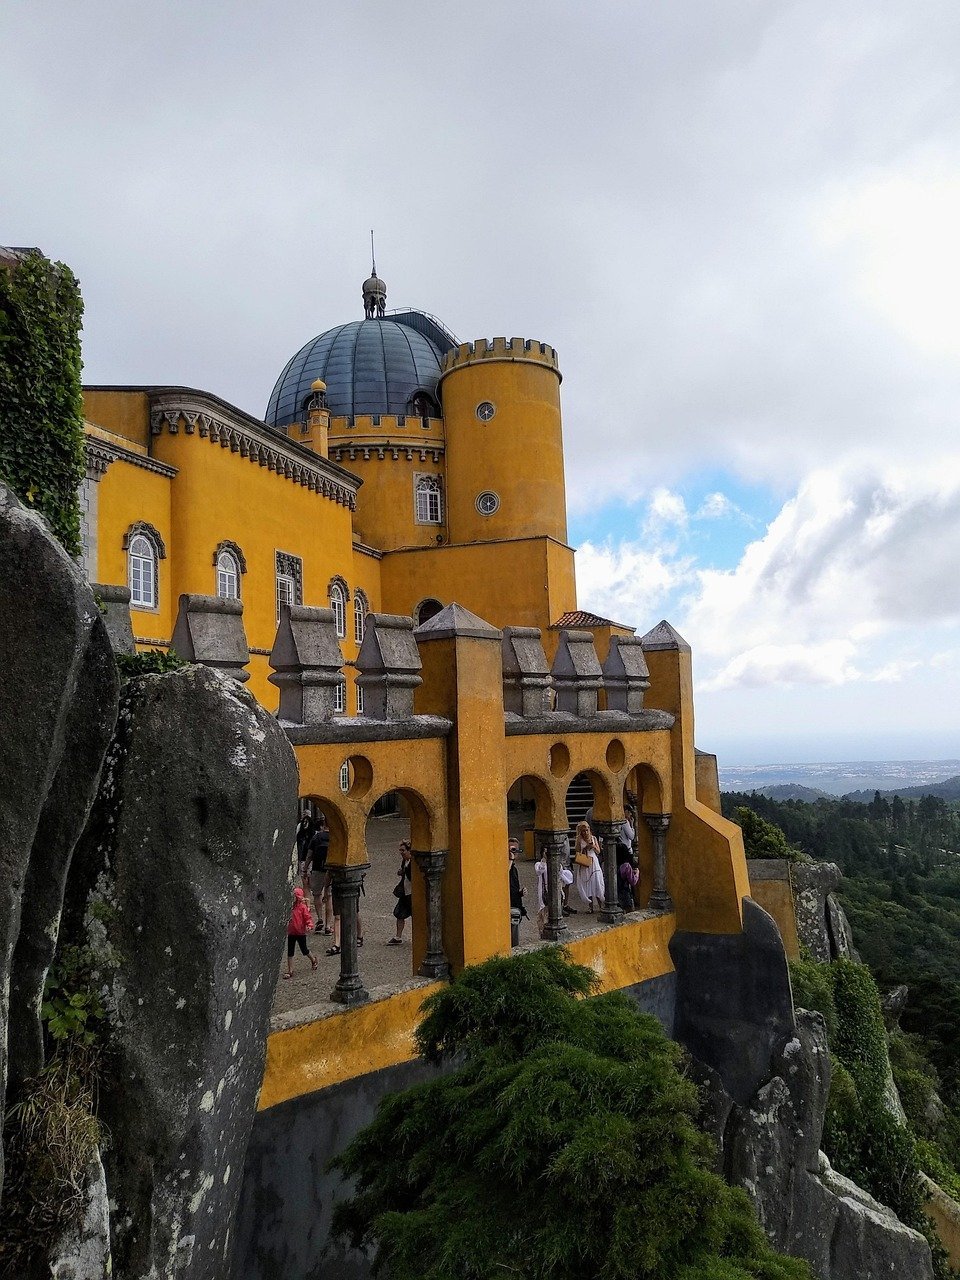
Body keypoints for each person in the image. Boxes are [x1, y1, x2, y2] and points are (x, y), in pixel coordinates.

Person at [534, 849, 573, 938]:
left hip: (556, 891)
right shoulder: (538, 864)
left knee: (554, 913)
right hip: (545, 891)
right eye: (545, 852)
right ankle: (543, 932)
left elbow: (563, 876)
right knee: (544, 914)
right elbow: (539, 871)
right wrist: (544, 861)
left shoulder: (557, 864)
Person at [284, 887, 318, 978]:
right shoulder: (289, 907)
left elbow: (308, 918)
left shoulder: (302, 908)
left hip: (300, 932)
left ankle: (313, 959)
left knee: (304, 950)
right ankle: (290, 970)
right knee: (290, 951)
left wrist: (309, 925)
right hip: (291, 932)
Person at [307, 816, 332, 934]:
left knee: (317, 895)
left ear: (322, 826)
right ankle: (328, 925)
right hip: (330, 870)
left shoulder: (316, 837)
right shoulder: (335, 838)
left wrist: (305, 868)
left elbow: (309, 855)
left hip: (317, 869)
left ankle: (320, 918)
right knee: (329, 897)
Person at [572, 819, 604, 912]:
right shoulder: (579, 839)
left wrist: (593, 846)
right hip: (585, 862)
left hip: (593, 861)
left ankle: (600, 904)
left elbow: (598, 851)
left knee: (596, 881)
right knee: (587, 882)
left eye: (586, 830)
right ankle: (590, 907)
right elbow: (577, 852)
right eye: (583, 831)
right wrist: (585, 848)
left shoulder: (593, 838)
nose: (585, 832)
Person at [387, 840, 413, 945]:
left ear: (409, 851)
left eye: (403, 850)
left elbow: (412, 877)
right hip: (405, 892)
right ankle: (398, 937)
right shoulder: (405, 861)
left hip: (412, 893)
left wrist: (404, 872)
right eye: (400, 850)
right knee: (399, 914)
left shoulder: (413, 863)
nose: (401, 852)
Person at [508, 838, 528, 925]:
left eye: (515, 849)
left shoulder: (514, 869)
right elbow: (504, 875)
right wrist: (510, 860)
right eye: (512, 849)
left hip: (515, 906)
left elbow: (512, 889)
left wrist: (520, 893)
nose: (514, 852)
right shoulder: (504, 865)